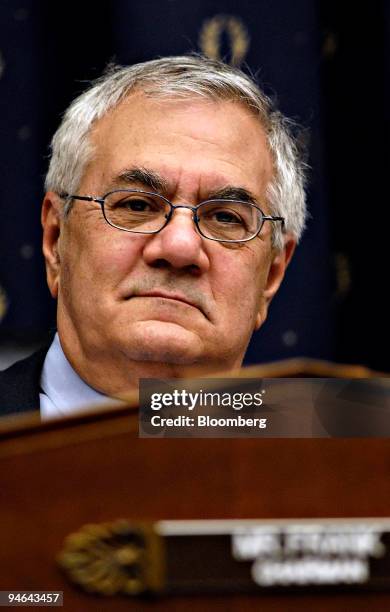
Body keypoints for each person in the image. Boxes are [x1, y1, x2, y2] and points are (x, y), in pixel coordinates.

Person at [0, 55, 307, 419]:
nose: (179, 247)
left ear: (272, 276)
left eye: (225, 217)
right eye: (137, 206)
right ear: (56, 241)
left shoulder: (359, 454)